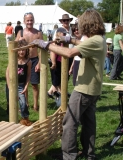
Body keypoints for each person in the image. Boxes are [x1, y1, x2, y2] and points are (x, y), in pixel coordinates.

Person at [31, 9, 106, 160]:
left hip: (84, 89)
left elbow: (69, 54)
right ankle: (89, 153)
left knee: (70, 122)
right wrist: (70, 40)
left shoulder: (94, 41)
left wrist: (45, 45)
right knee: (89, 123)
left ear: (88, 24)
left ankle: (69, 155)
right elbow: (82, 44)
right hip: (94, 89)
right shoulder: (99, 39)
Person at [15, 12, 43, 111]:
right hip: (24, 61)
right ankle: (25, 103)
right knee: (22, 84)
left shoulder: (38, 33)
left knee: (34, 84)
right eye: (28, 20)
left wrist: (39, 62)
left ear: (33, 20)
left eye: (31, 20)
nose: (29, 22)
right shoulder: (20, 33)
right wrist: (19, 41)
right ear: (24, 21)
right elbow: (15, 47)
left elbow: (41, 50)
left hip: (35, 60)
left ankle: (35, 105)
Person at [6, 40, 32, 126]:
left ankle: (25, 119)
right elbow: (7, 72)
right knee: (11, 103)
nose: (21, 52)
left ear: (26, 50)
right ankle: (12, 122)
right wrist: (9, 86)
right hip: (11, 85)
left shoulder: (28, 62)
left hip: (21, 85)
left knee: (23, 103)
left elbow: (28, 75)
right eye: (20, 50)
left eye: (23, 50)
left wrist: (26, 86)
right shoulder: (14, 60)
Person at [47, 28, 67, 105]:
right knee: (57, 82)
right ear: (59, 33)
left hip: (61, 63)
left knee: (58, 82)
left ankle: (51, 93)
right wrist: (54, 63)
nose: (64, 35)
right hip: (56, 64)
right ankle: (59, 100)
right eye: (63, 33)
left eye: (65, 34)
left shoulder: (62, 42)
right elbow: (52, 53)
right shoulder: (56, 42)